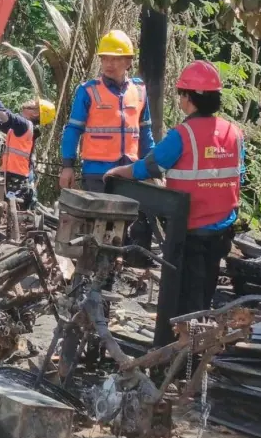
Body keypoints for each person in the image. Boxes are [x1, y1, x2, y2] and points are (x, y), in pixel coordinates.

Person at [104, 60, 244, 317]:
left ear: (189, 98)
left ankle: (183, 338)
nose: (180, 99)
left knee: (184, 298)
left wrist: (118, 172)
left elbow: (150, 167)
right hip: (223, 228)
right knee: (205, 291)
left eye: (181, 94)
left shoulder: (183, 135)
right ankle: (198, 331)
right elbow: (237, 175)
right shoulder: (234, 133)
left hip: (190, 229)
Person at [58, 29, 152, 191]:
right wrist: (67, 166)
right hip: (96, 173)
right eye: (105, 58)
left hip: (130, 172)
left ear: (128, 62)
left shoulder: (139, 90)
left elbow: (145, 132)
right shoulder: (88, 91)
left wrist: (151, 167)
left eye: (115, 59)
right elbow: (72, 130)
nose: (109, 64)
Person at [0, 65, 54, 212]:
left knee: (12, 213)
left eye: (34, 104)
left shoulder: (24, 124)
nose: (30, 101)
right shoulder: (21, 128)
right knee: (7, 212)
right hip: (12, 176)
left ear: (36, 113)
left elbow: (2, 112)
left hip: (16, 179)